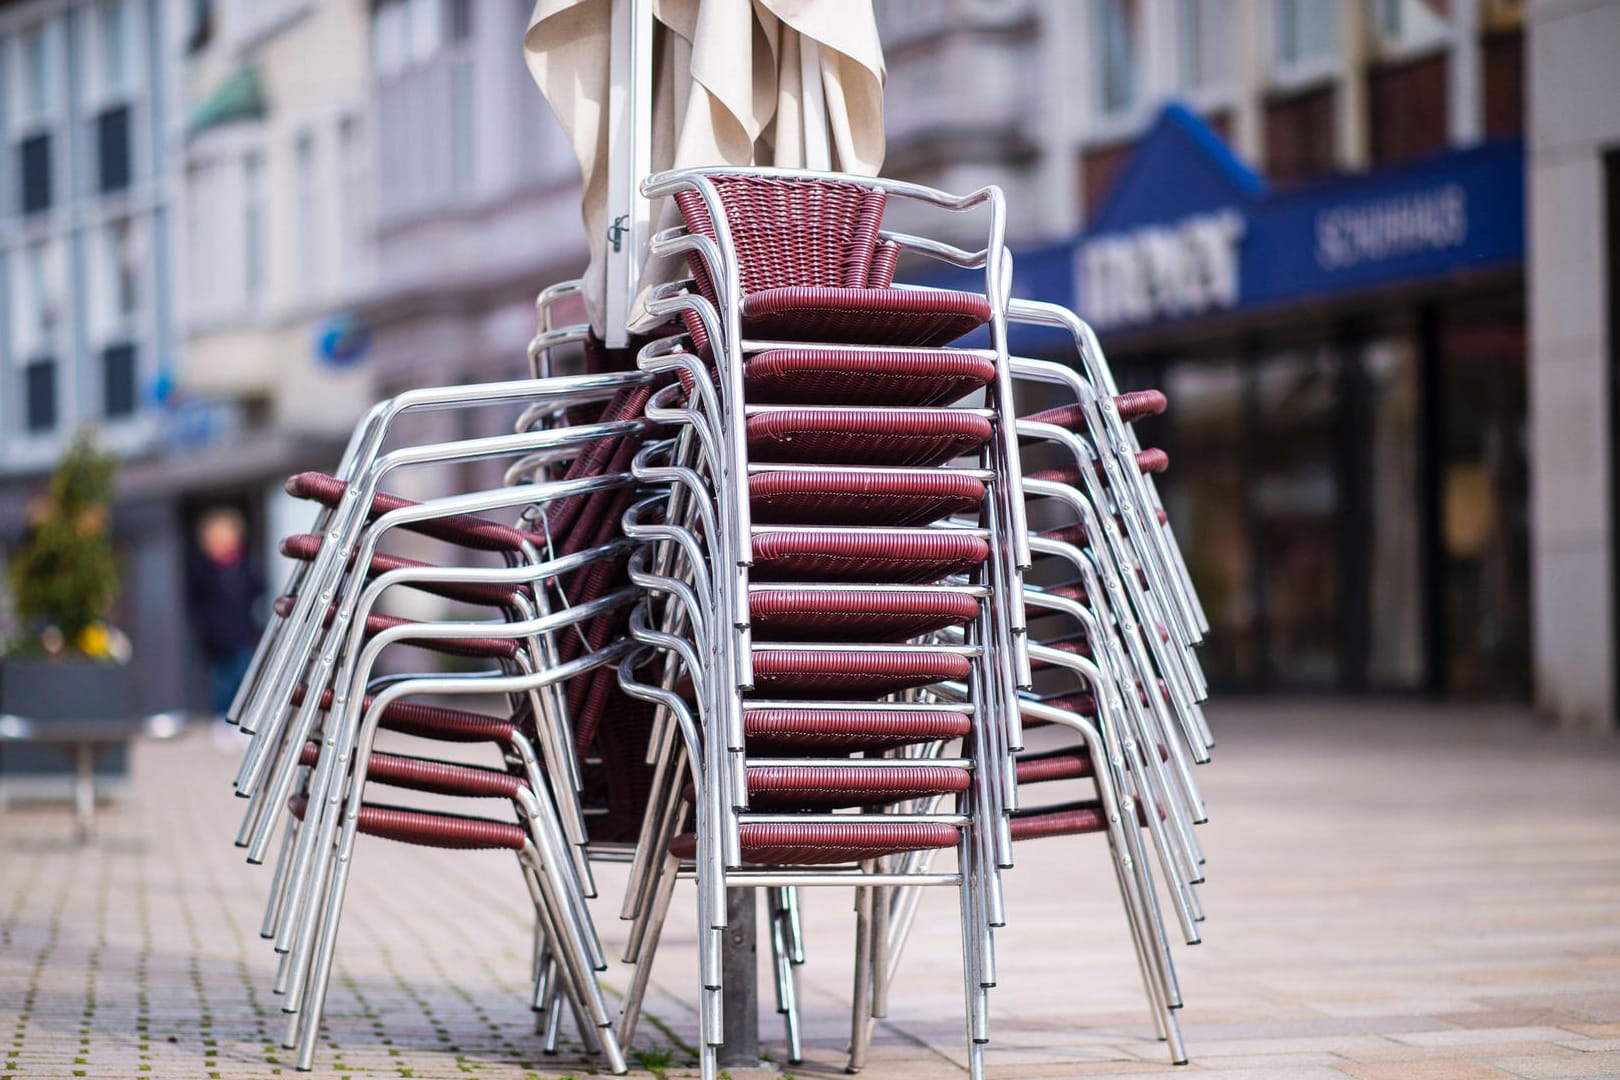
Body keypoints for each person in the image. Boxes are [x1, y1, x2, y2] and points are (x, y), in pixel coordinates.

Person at [184, 507, 263, 727]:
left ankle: (247, 718)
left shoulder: (246, 566)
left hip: (243, 635)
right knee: (222, 684)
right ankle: (223, 719)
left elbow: (257, 595)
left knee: (246, 679)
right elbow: (195, 605)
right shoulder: (203, 572)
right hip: (216, 640)